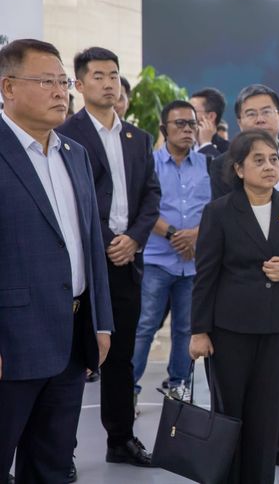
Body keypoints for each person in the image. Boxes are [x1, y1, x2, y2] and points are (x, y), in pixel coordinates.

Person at [0, 38, 113, 483]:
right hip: (12, 344)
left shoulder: (75, 154)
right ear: (7, 87)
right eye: (46, 81)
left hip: (71, 340)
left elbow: (89, 244)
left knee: (51, 467)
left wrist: (100, 321)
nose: (59, 91)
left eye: (63, 81)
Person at [190, 129, 279, 484]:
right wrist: (199, 331)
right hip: (231, 330)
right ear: (239, 169)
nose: (269, 166)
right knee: (230, 416)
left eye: (273, 159)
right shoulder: (219, 212)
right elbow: (206, 275)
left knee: (267, 416)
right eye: (258, 160)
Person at [57, 46, 160, 468]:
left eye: (113, 75)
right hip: (84, 264)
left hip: (126, 263)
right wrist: (106, 241)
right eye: (98, 76)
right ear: (79, 85)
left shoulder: (138, 138)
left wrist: (133, 239)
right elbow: (68, 202)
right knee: (72, 359)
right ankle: (62, 449)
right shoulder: (65, 134)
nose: (108, 82)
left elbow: (151, 196)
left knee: (120, 357)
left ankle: (121, 439)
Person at [210, 83, 279, 470]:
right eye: (251, 113)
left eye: (267, 111)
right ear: (240, 121)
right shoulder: (224, 168)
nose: (260, 119)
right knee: (236, 395)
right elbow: (222, 232)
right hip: (237, 301)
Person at [131, 100, 211, 403]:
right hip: (156, 260)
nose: (188, 129)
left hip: (193, 263)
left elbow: (214, 210)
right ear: (164, 129)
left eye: (192, 123)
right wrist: (176, 235)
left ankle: (178, 382)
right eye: (180, 124)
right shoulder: (149, 163)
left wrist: (196, 236)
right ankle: (130, 390)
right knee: (146, 325)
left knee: (185, 328)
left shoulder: (207, 165)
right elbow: (143, 208)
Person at [191, 87, 229, 157]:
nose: (186, 115)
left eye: (192, 111)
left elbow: (222, 167)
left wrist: (206, 144)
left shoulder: (230, 150)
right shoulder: (183, 146)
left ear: (211, 116)